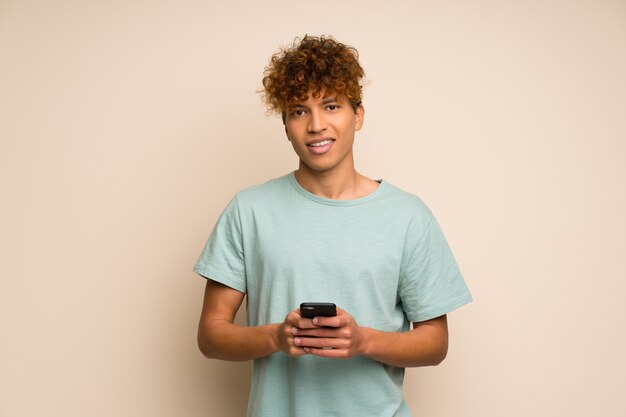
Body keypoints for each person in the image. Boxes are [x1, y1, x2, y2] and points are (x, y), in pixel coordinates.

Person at [194, 35, 472, 417]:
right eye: (299, 110)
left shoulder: (408, 216)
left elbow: (435, 343)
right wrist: (277, 337)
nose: (316, 125)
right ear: (285, 124)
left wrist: (362, 342)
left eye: (330, 105)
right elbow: (211, 336)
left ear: (357, 115)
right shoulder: (249, 210)